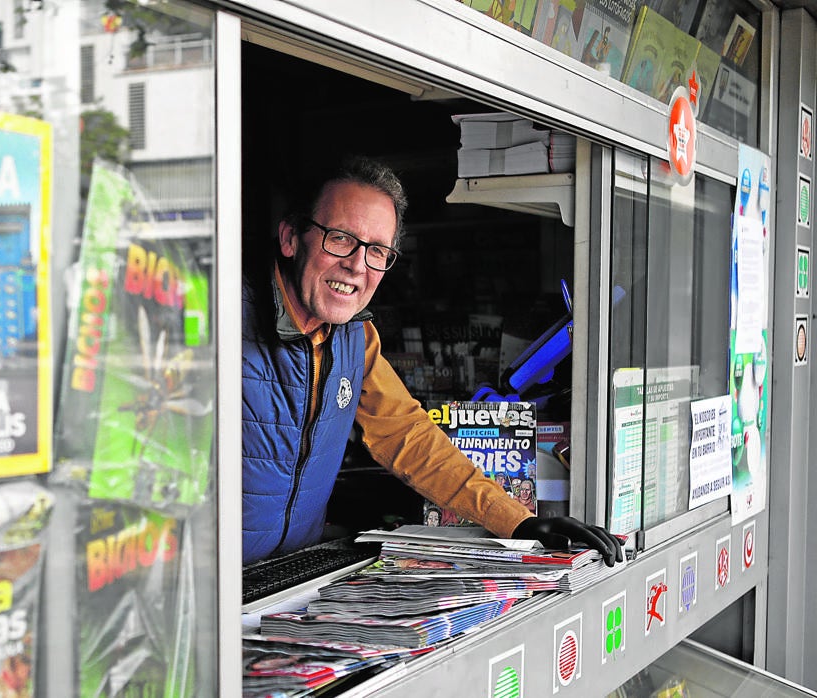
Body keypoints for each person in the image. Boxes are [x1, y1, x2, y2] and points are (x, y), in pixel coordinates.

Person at [241, 155, 623, 567]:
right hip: (201, 588)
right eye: (339, 238)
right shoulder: (220, 323)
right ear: (290, 238)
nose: (356, 265)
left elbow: (409, 438)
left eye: (377, 251)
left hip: (283, 580)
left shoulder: (355, 338)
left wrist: (518, 523)